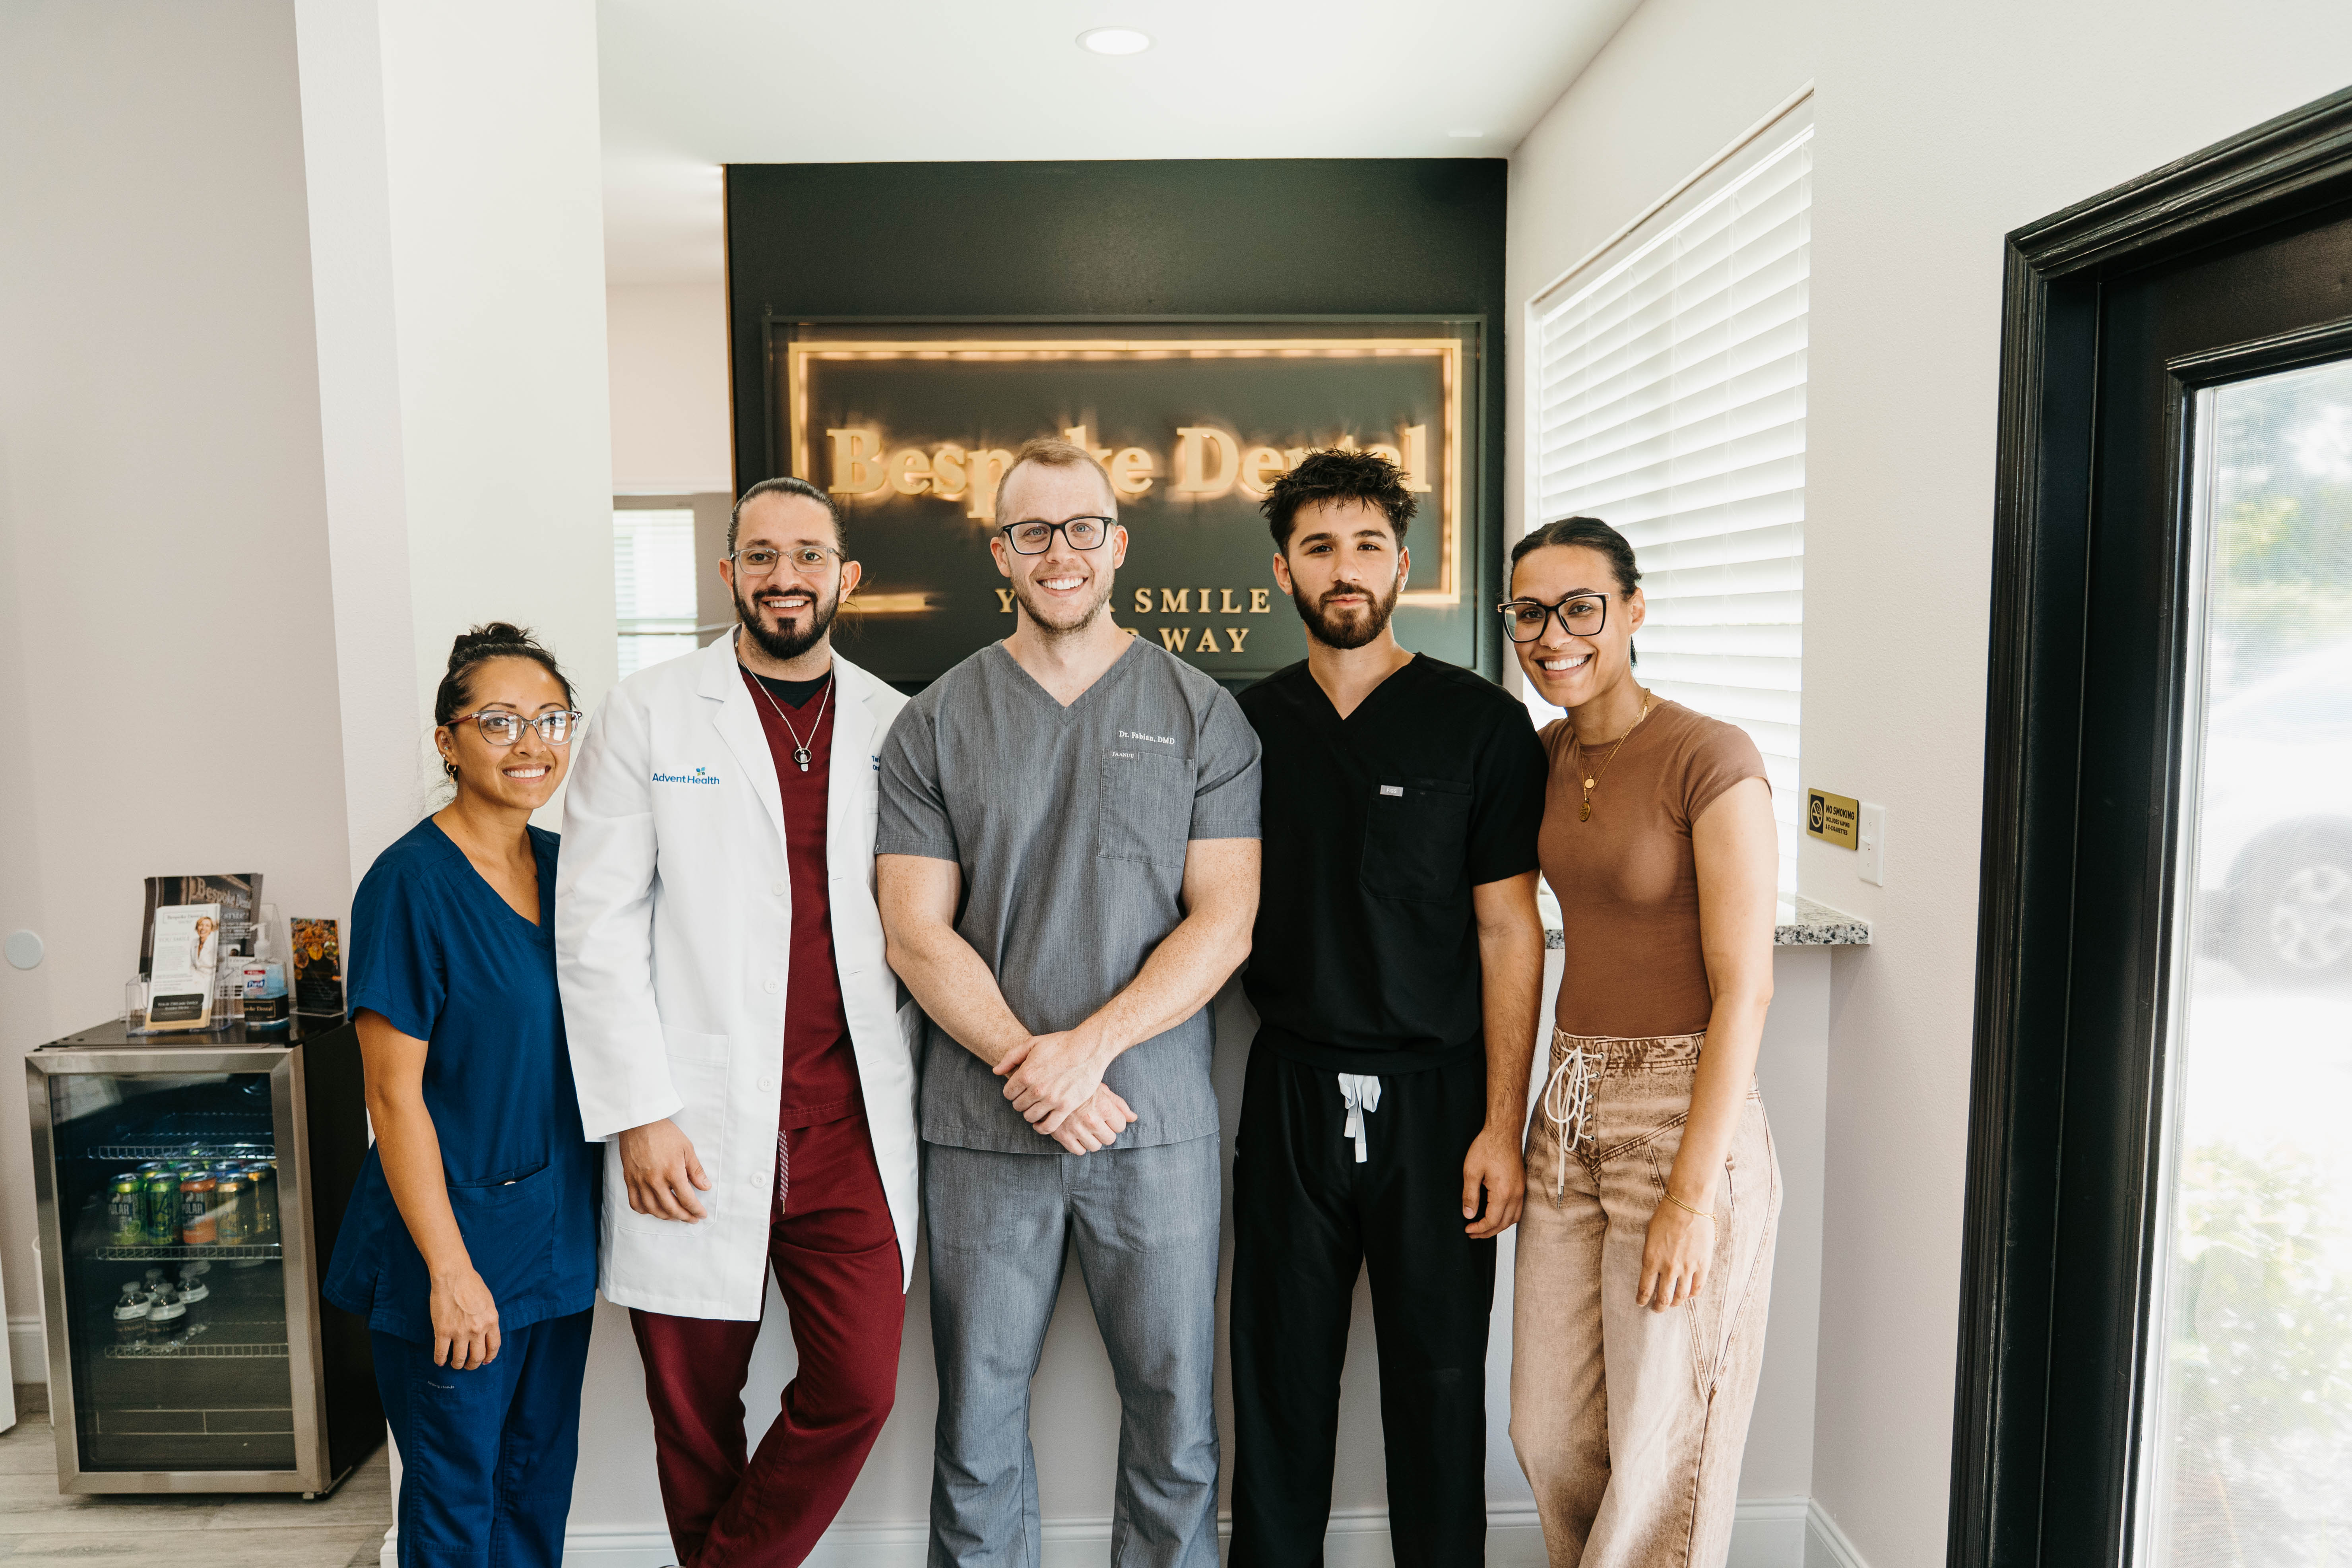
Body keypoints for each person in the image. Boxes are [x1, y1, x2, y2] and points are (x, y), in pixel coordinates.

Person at [875, 436, 1262, 1568]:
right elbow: (914, 930)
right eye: (1032, 531)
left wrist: (1086, 1052)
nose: (1060, 552)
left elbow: (1224, 921)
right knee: (976, 1425)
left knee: (1175, 1417)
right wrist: (1030, 1063)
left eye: (1081, 527)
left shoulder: (1201, 713)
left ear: (1117, 544)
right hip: (983, 1130)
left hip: (1152, 1123)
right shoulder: (934, 721)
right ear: (999, 551)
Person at [557, 477, 921, 1568]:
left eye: (808, 555)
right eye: (760, 555)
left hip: (847, 1120)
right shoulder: (649, 711)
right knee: (694, 1409)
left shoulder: (895, 722)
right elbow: (595, 927)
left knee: (858, 1386)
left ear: (846, 576)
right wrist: (638, 1114)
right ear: (727, 574)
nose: (784, 576)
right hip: (692, 1121)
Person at [1225, 449, 1547, 1566]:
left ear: (1404, 565)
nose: (1345, 567)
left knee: (1439, 1386)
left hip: (1440, 1103)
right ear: (1283, 571)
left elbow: (1508, 930)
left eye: (1367, 544)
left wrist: (1500, 1124)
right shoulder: (1242, 727)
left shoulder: (1481, 724)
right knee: (1276, 1380)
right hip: (1289, 1091)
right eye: (1318, 547)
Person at [1501, 516, 1782, 1568]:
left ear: (1631, 610)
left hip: (1679, 1113)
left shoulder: (1709, 755)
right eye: (1530, 613)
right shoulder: (1543, 755)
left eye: (1580, 608)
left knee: (1664, 1450)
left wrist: (1689, 1200)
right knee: (1550, 1433)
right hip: (1566, 1106)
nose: (1553, 635)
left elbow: (1745, 990)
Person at [322, 624, 599, 1568]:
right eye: (500, 720)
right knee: (455, 1506)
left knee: (534, 1487)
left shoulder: (569, 868)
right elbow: (392, 1097)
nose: (532, 742)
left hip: (554, 1239)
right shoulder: (409, 885)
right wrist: (450, 1270)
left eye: (552, 718)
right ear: (448, 740)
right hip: (451, 1246)